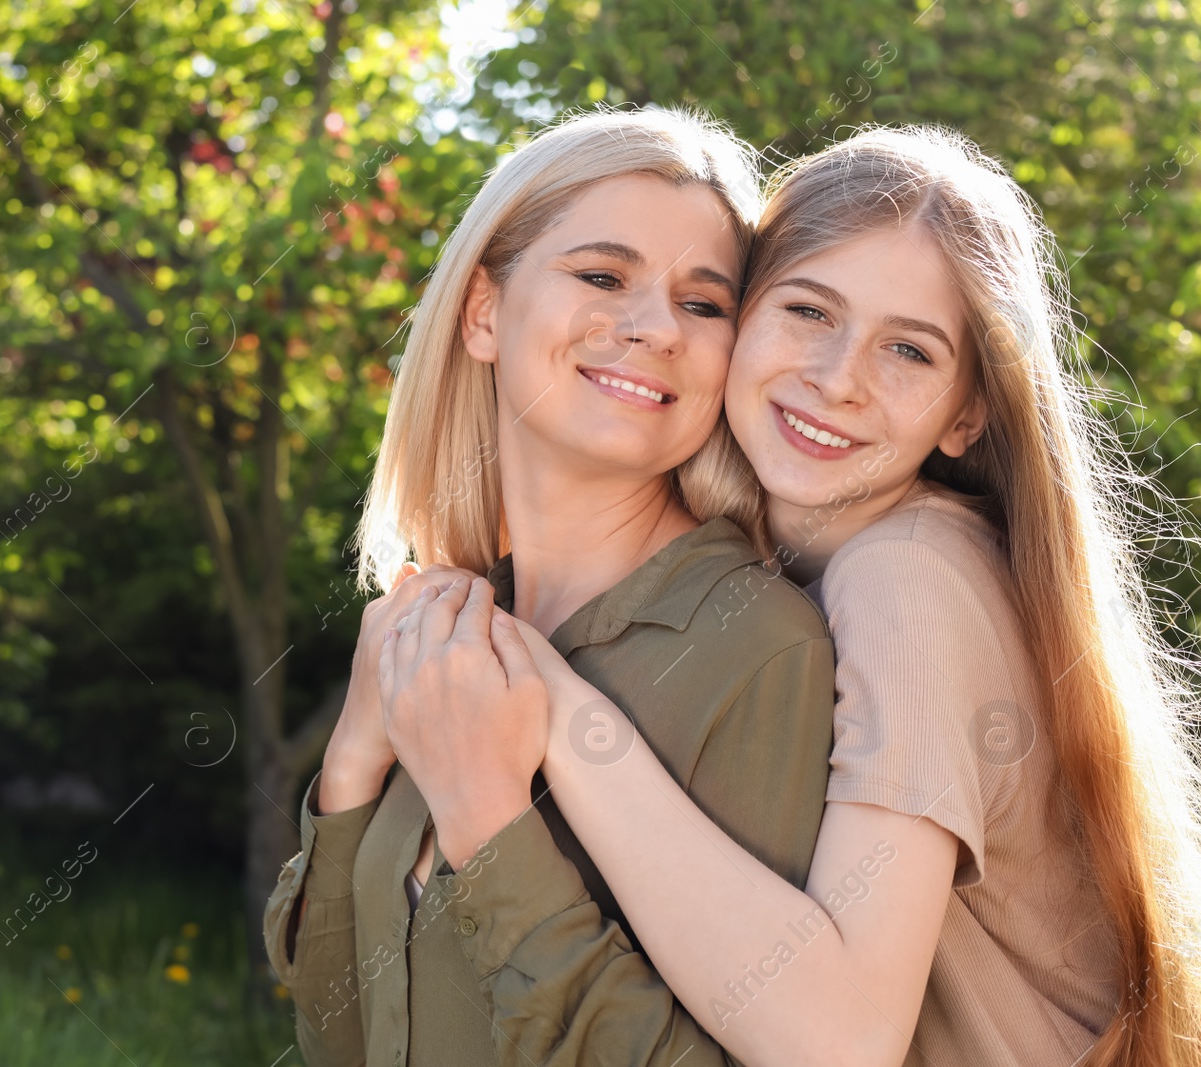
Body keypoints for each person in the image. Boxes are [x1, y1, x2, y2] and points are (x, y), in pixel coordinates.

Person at [382, 127, 1201, 1066]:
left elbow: (840, 1041)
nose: (837, 378)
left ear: (968, 413)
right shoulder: (776, 564)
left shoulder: (909, 579)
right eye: (810, 312)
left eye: (911, 352)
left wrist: (555, 705)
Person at [261, 105, 841, 1067]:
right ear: (484, 312)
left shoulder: (756, 644)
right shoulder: (444, 625)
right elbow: (343, 1039)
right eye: (604, 276)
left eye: (703, 303)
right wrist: (355, 766)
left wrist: (488, 818)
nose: (655, 326)